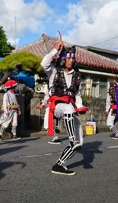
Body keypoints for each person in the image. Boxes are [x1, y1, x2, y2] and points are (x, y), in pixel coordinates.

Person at [41, 39, 85, 176]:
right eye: (68, 58)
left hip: (70, 108)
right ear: (63, 59)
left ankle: (58, 164)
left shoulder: (77, 76)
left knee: (80, 142)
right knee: (68, 109)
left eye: (73, 58)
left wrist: (80, 106)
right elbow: (44, 64)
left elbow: (77, 95)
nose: (71, 61)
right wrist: (56, 49)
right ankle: (71, 140)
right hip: (56, 106)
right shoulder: (54, 71)